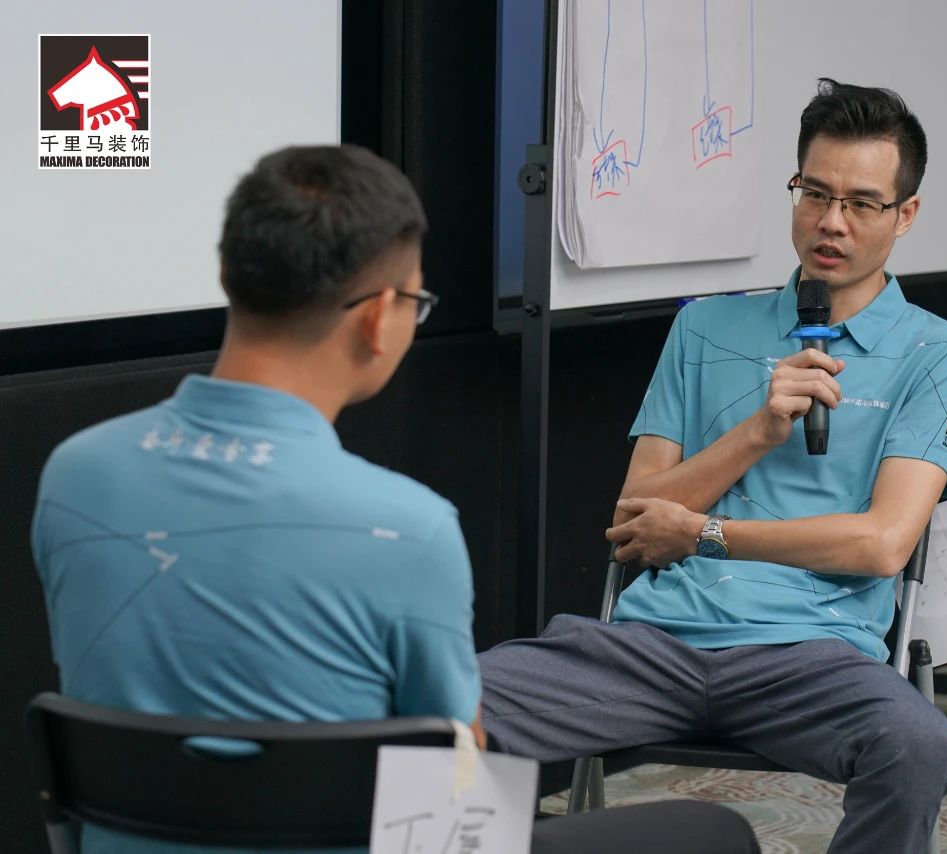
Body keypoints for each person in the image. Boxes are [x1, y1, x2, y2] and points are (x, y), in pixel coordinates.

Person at [32, 145, 759, 854]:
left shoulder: (76, 474)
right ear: (379, 318)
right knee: (714, 832)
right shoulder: (406, 530)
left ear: (227, 276)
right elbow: (455, 799)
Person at [480, 81, 947, 853]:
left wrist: (705, 534)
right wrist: (758, 431)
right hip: (655, 645)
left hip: (814, 659)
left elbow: (883, 543)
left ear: (905, 214)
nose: (831, 221)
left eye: (861, 203)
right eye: (814, 193)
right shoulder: (706, 327)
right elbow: (634, 519)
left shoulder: (940, 352)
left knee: (915, 744)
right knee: (441, 707)